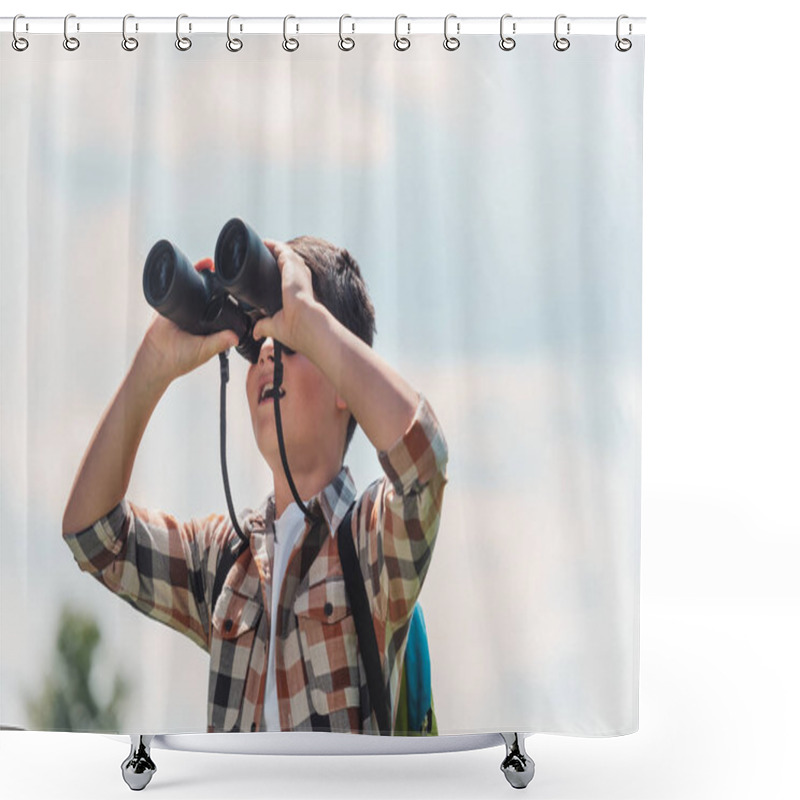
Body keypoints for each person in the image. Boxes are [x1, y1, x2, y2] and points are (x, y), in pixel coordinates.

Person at [62, 235, 448, 734]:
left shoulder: (370, 544)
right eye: (258, 341)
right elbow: (93, 535)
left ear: (342, 385)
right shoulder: (228, 560)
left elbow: (425, 467)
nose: (267, 353)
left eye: (289, 343)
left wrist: (308, 319)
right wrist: (154, 362)